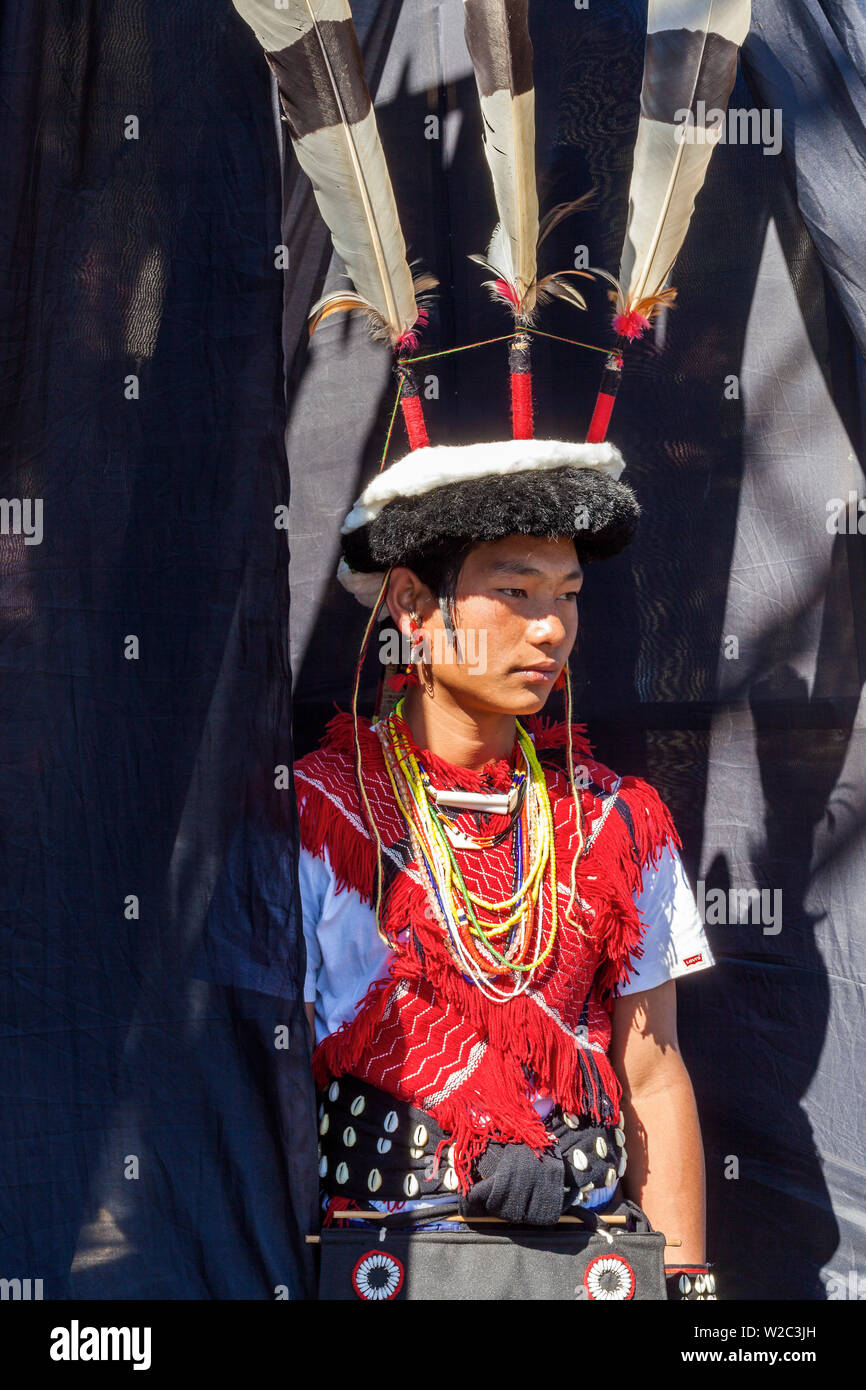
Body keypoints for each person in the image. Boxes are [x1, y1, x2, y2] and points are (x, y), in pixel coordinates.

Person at [294, 438, 718, 1301]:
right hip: (383, 1259)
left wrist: (686, 1291)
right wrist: (483, 1123)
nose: (551, 627)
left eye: (568, 596)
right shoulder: (320, 811)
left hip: (585, 1256)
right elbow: (303, 1037)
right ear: (412, 604)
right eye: (515, 591)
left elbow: (653, 1073)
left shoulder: (615, 820)